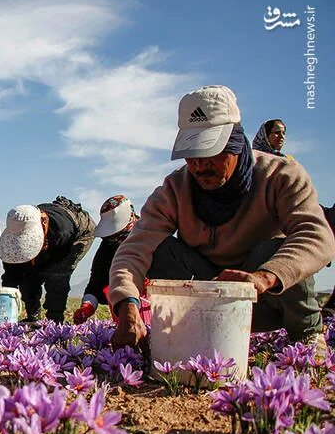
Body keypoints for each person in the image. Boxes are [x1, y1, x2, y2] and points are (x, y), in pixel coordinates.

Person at [109, 85, 335, 350]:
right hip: (202, 302)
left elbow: (317, 237)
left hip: (263, 301)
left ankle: (307, 336)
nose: (200, 165)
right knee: (159, 248)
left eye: (211, 152)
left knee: (274, 249)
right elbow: (134, 250)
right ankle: (190, 336)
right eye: (192, 155)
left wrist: (264, 277)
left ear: (236, 143)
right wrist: (127, 305)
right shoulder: (174, 189)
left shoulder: (280, 176)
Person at [0, 196, 95, 323]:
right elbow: (11, 273)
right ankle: (33, 316)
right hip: (50, 230)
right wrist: (5, 300)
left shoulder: (62, 231)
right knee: (27, 271)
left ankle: (54, 320)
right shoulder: (12, 238)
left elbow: (58, 278)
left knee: (56, 274)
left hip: (78, 232)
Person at [72, 195, 139, 324]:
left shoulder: (153, 240)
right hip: (124, 314)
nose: (112, 238)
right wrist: (87, 306)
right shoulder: (108, 246)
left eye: (116, 233)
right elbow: (96, 283)